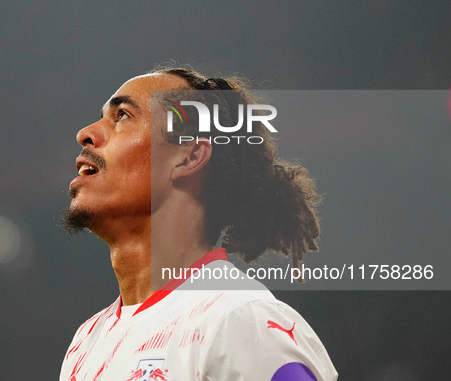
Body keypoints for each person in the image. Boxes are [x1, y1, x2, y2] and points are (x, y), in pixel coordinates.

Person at [59, 67, 338, 380]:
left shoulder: (240, 322)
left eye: (122, 115)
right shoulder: (86, 343)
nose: (85, 133)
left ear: (189, 157)